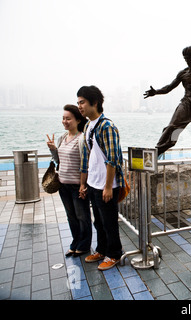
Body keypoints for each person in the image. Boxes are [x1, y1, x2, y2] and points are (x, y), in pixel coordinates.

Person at [77, 85, 126, 271]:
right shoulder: (89, 126)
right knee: (98, 220)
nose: (80, 106)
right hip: (93, 182)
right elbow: (87, 157)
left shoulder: (107, 126)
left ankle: (114, 253)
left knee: (109, 221)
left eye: (82, 102)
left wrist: (107, 187)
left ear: (94, 102)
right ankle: (102, 249)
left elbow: (113, 160)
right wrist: (83, 183)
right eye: (78, 103)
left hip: (107, 184)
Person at [46, 104, 91, 257]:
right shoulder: (62, 138)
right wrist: (53, 149)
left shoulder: (82, 139)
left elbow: (85, 164)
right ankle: (75, 242)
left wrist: (83, 184)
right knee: (70, 216)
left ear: (78, 120)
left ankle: (84, 245)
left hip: (77, 185)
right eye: (63, 118)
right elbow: (58, 160)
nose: (65, 121)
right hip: (63, 185)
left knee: (82, 216)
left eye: (68, 119)